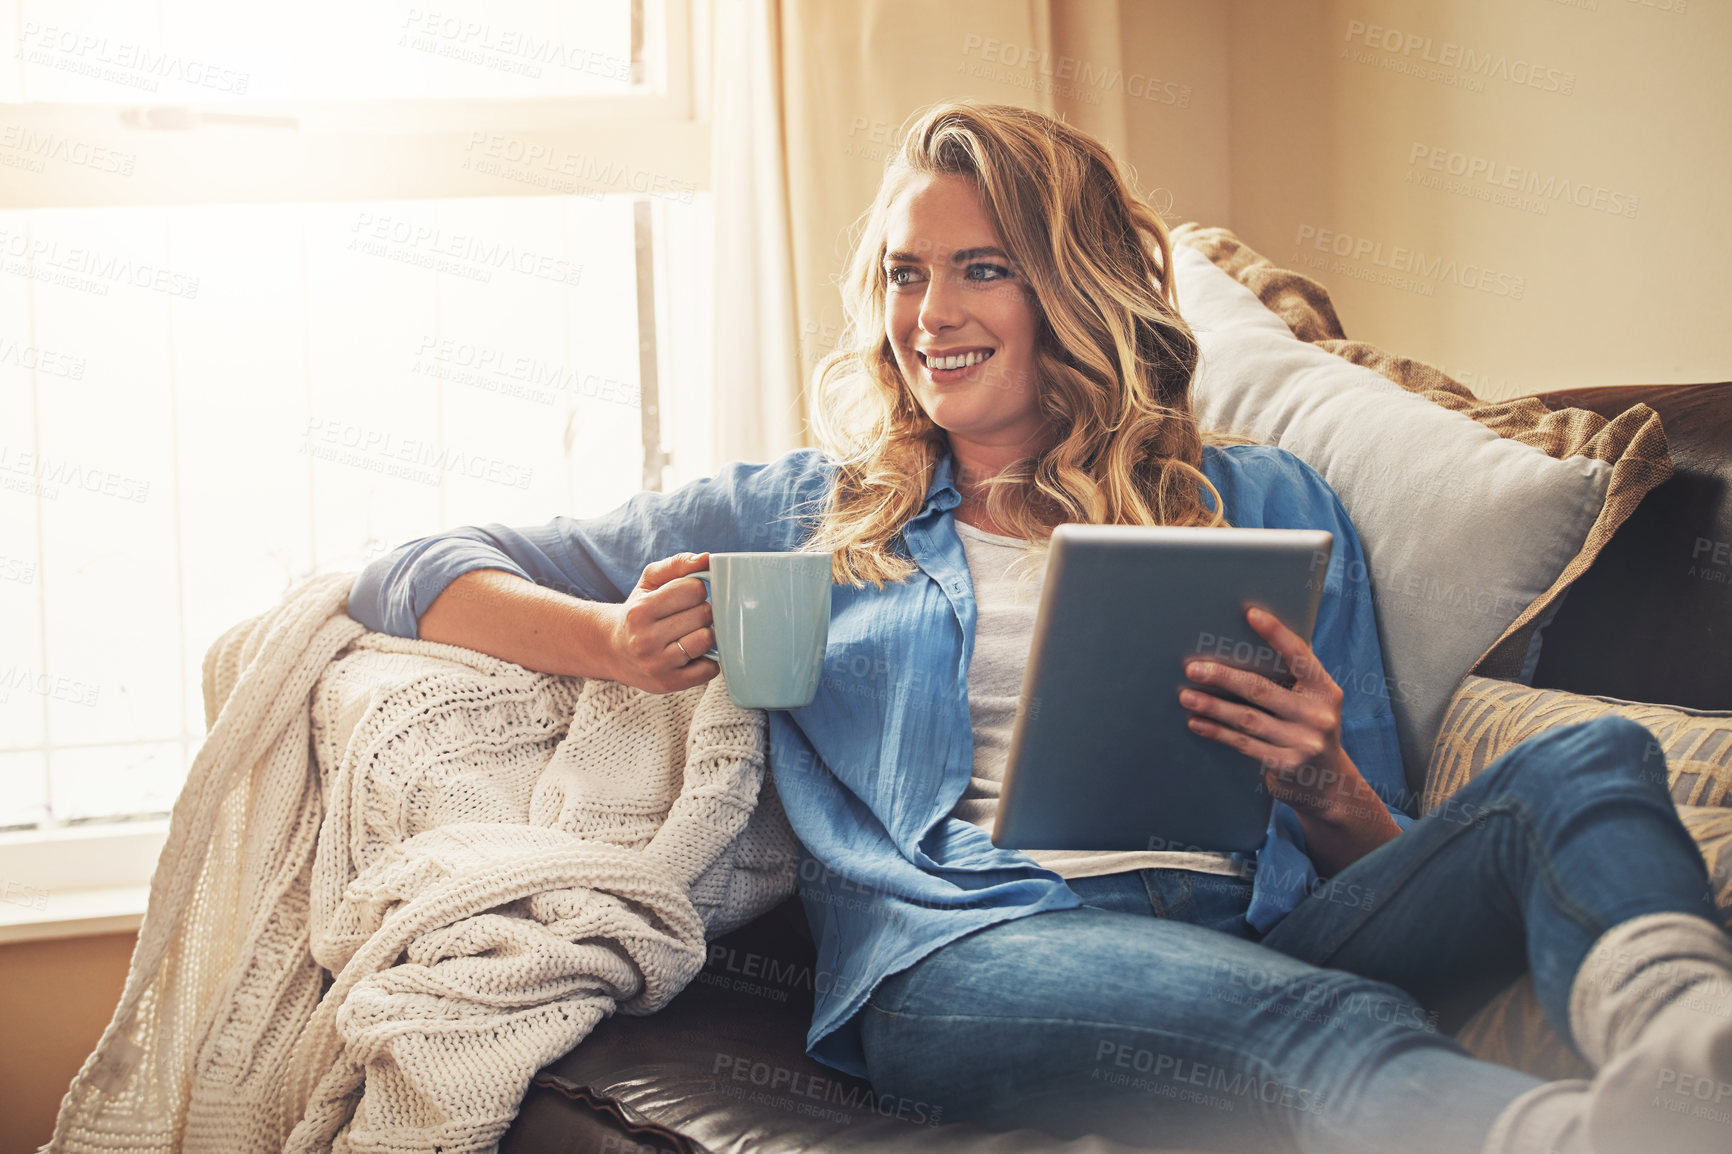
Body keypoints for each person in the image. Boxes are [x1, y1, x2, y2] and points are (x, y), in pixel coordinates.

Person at [345, 102, 1732, 1154]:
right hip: (971, 954)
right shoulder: (808, 517)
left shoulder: (1255, 502)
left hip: (1266, 918)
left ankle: (1689, 1069)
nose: (928, 315)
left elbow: (1377, 856)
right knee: (1321, 1025)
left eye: (979, 270)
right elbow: (410, 568)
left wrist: (1324, 783)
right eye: (903, 274)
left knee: (1591, 763)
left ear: (1070, 286)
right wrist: (614, 641)